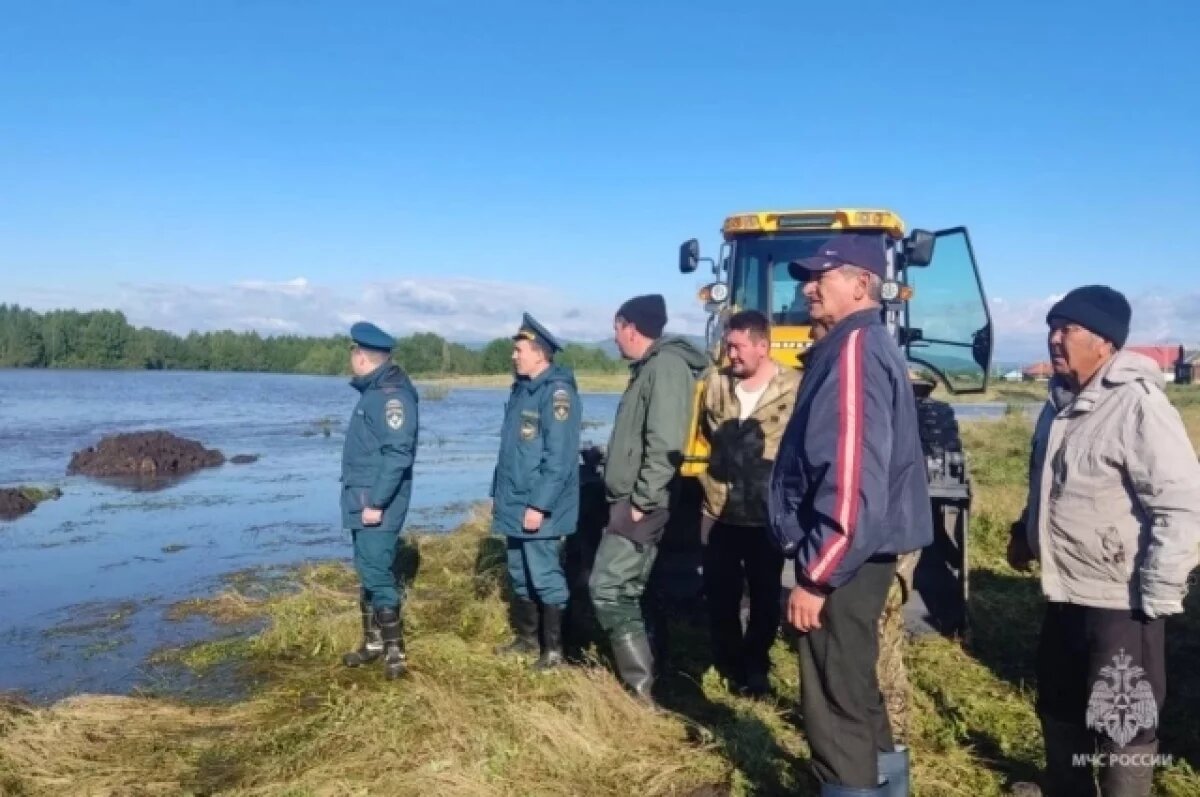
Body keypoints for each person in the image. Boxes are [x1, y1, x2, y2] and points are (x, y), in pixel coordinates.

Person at [1007, 285, 1200, 797]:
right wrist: (1025, 533)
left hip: (1121, 598)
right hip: (1064, 588)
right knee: (1059, 700)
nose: (1054, 338)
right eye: (1052, 327)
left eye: (1067, 329)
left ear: (1105, 342)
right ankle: (1067, 788)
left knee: (1122, 718)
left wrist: (1158, 593)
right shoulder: (1060, 404)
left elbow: (1182, 503)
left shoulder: (1138, 407)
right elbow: (1050, 483)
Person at [767, 234, 932, 796]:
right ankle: (888, 785)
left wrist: (816, 575)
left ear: (861, 283)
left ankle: (856, 786)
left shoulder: (855, 351)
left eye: (822, 276)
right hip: (864, 551)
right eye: (806, 276)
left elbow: (851, 476)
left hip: (846, 556)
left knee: (833, 701)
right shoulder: (859, 345)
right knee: (856, 684)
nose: (807, 286)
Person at [588, 293, 709, 703]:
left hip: (641, 502)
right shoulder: (650, 368)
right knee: (633, 587)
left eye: (616, 328)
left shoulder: (666, 367)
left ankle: (639, 691)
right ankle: (654, 674)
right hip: (632, 497)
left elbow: (664, 443)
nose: (615, 337)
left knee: (608, 587)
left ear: (629, 327)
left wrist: (642, 499)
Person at [696, 309, 800, 696]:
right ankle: (727, 663)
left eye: (738, 347)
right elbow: (706, 434)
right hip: (719, 512)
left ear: (762, 346)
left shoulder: (794, 387)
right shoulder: (715, 384)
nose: (731, 354)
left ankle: (756, 666)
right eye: (727, 346)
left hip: (765, 515)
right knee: (720, 593)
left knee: (764, 595)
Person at [490, 313, 582, 671]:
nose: (514, 356)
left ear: (540, 354)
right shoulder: (521, 391)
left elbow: (558, 458)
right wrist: (497, 494)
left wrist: (539, 506)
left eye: (519, 350)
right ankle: (527, 640)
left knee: (544, 573)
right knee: (518, 571)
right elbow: (512, 453)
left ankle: (554, 651)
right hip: (513, 501)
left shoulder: (556, 394)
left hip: (537, 506)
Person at [339, 321, 420, 680]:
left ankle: (395, 653)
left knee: (377, 572)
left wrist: (377, 502)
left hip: (376, 502)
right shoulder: (375, 392)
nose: (351, 358)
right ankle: (372, 644)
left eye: (353, 352)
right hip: (362, 498)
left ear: (362, 356)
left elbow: (398, 454)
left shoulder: (391, 398)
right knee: (367, 570)